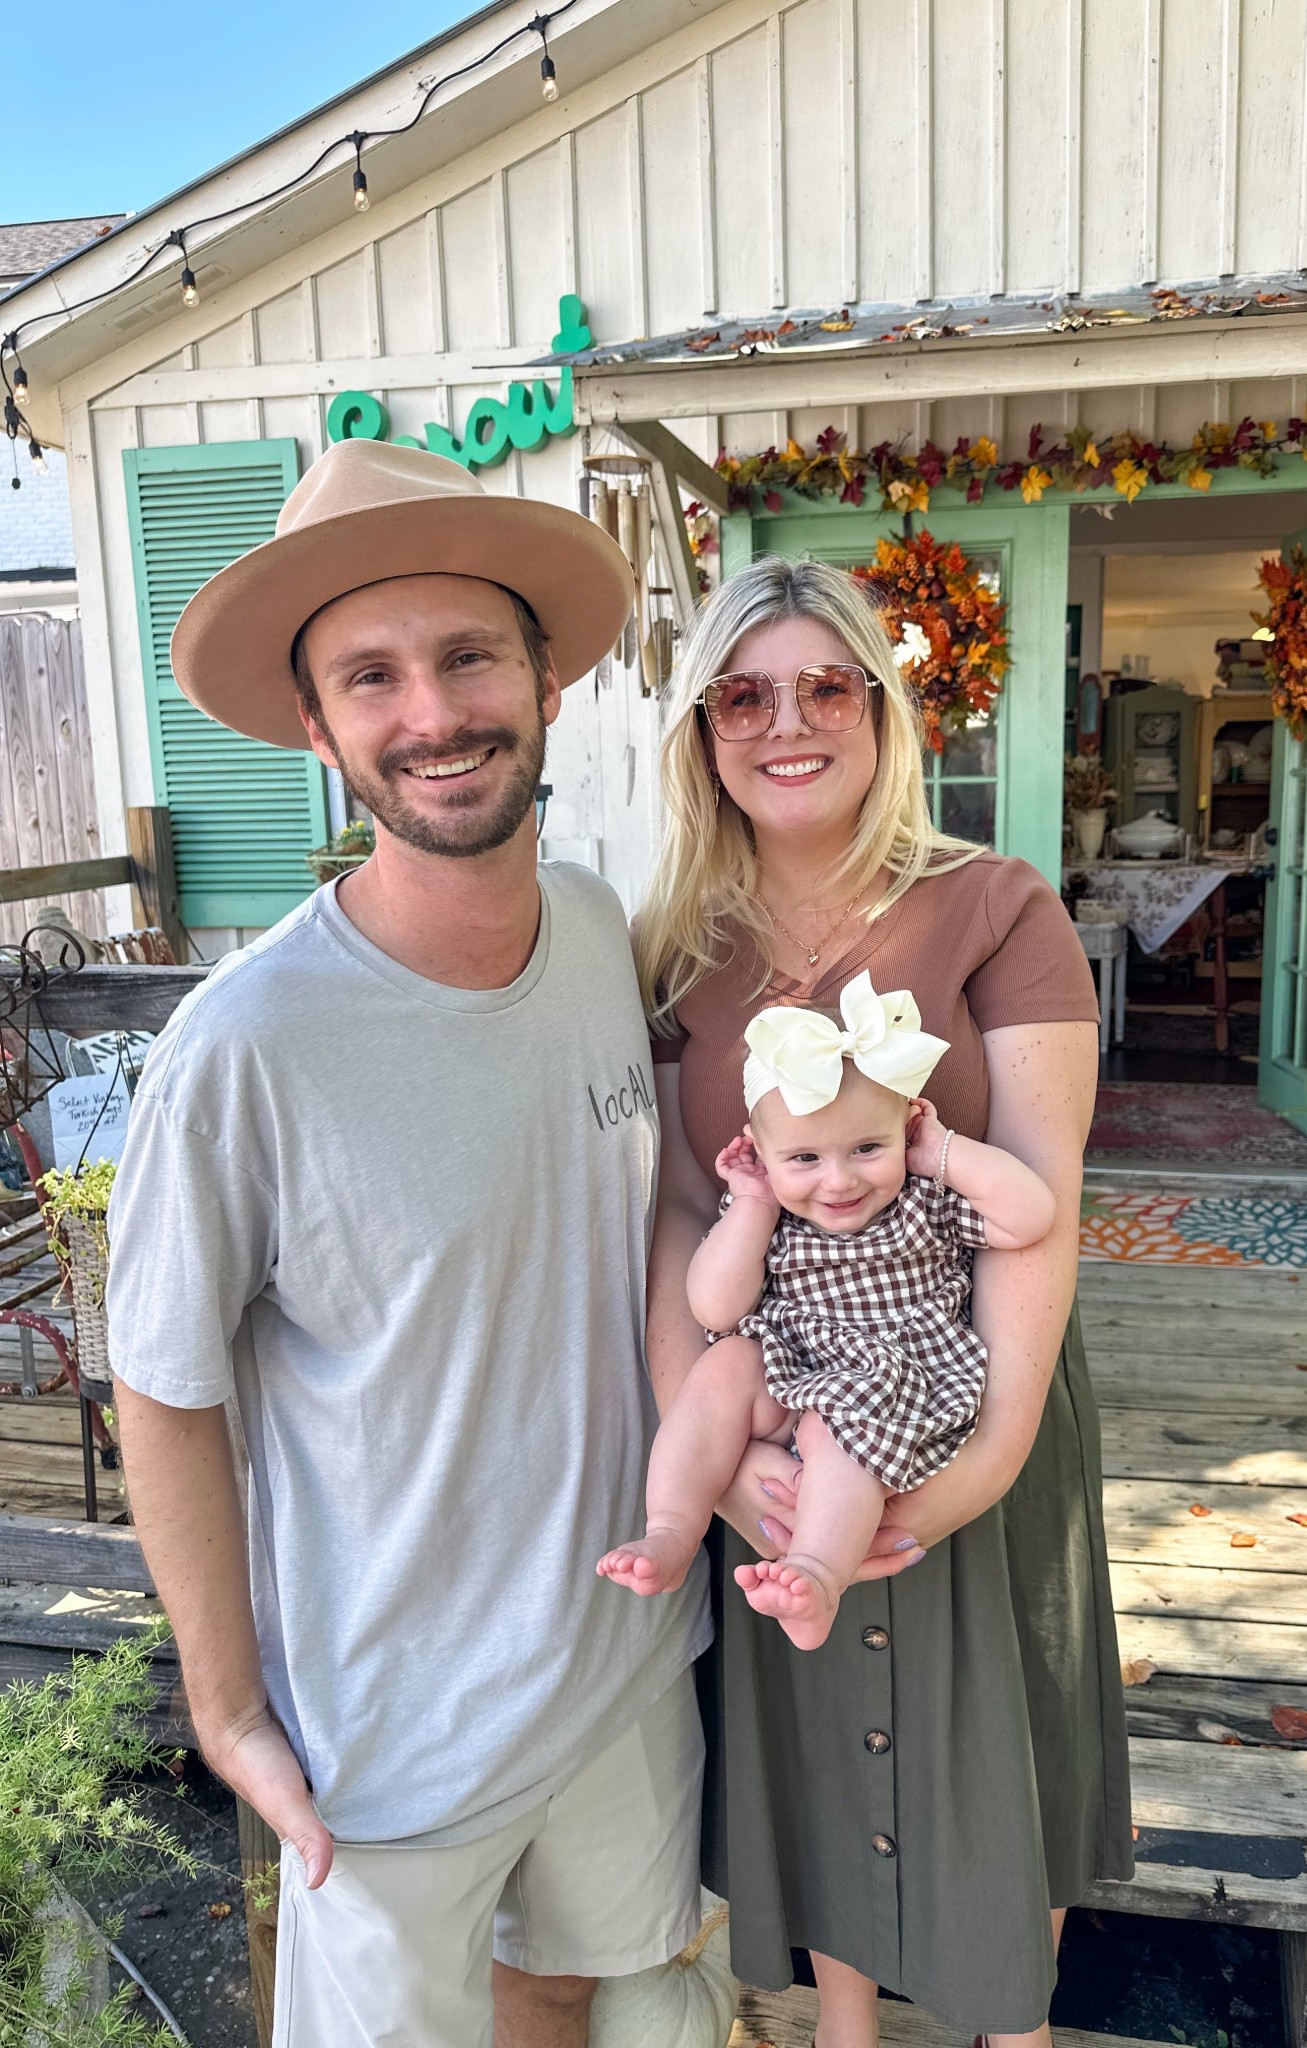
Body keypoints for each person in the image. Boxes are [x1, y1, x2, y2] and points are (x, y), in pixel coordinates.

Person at [106, 440, 711, 2048]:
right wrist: (227, 1711)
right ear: (317, 730)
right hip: (384, 1734)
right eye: (370, 677)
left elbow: (645, 1222)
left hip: (622, 1657)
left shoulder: (591, 927)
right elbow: (162, 1385)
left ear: (547, 677)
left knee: (581, 1987)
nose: (431, 713)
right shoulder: (246, 1046)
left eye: (466, 655)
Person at [634, 556, 1134, 2048]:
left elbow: (1042, 1199)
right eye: (744, 694)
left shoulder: (995, 905)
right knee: (812, 1753)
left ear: (880, 704)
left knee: (1004, 1751)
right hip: (782, 1403)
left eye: (825, 685)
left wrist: (987, 1452)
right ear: (702, 727)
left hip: (972, 1386)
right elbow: (676, 1207)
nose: (787, 723)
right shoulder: (672, 946)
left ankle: (1011, 2029)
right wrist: (717, 1454)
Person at [598, 973, 1055, 1650]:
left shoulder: (923, 1198)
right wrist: (752, 1205)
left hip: (888, 1377)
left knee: (838, 1435)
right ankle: (671, 1527)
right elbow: (713, 1305)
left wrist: (944, 1153)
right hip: (788, 1363)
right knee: (722, 1368)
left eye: (867, 1149)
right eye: (805, 1158)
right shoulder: (765, 1211)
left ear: (905, 1127)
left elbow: (1031, 1216)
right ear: (758, 1148)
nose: (838, 1180)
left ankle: (815, 1575)